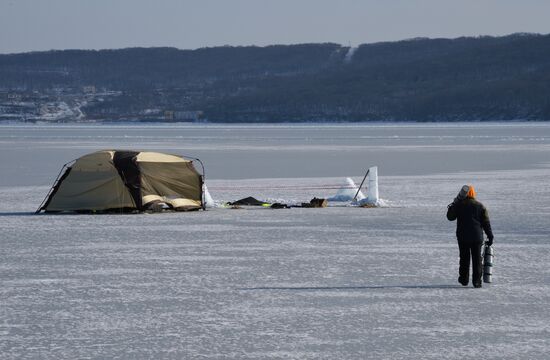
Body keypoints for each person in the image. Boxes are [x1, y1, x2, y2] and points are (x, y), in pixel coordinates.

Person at [447, 185, 494, 288]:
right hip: (477, 237)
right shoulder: (480, 206)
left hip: (463, 237)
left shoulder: (459, 205)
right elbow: (486, 223)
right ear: (473, 194)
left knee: (464, 258)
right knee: (477, 259)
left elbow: (450, 217)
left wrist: (453, 204)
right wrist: (490, 236)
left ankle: (464, 279)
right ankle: (476, 282)